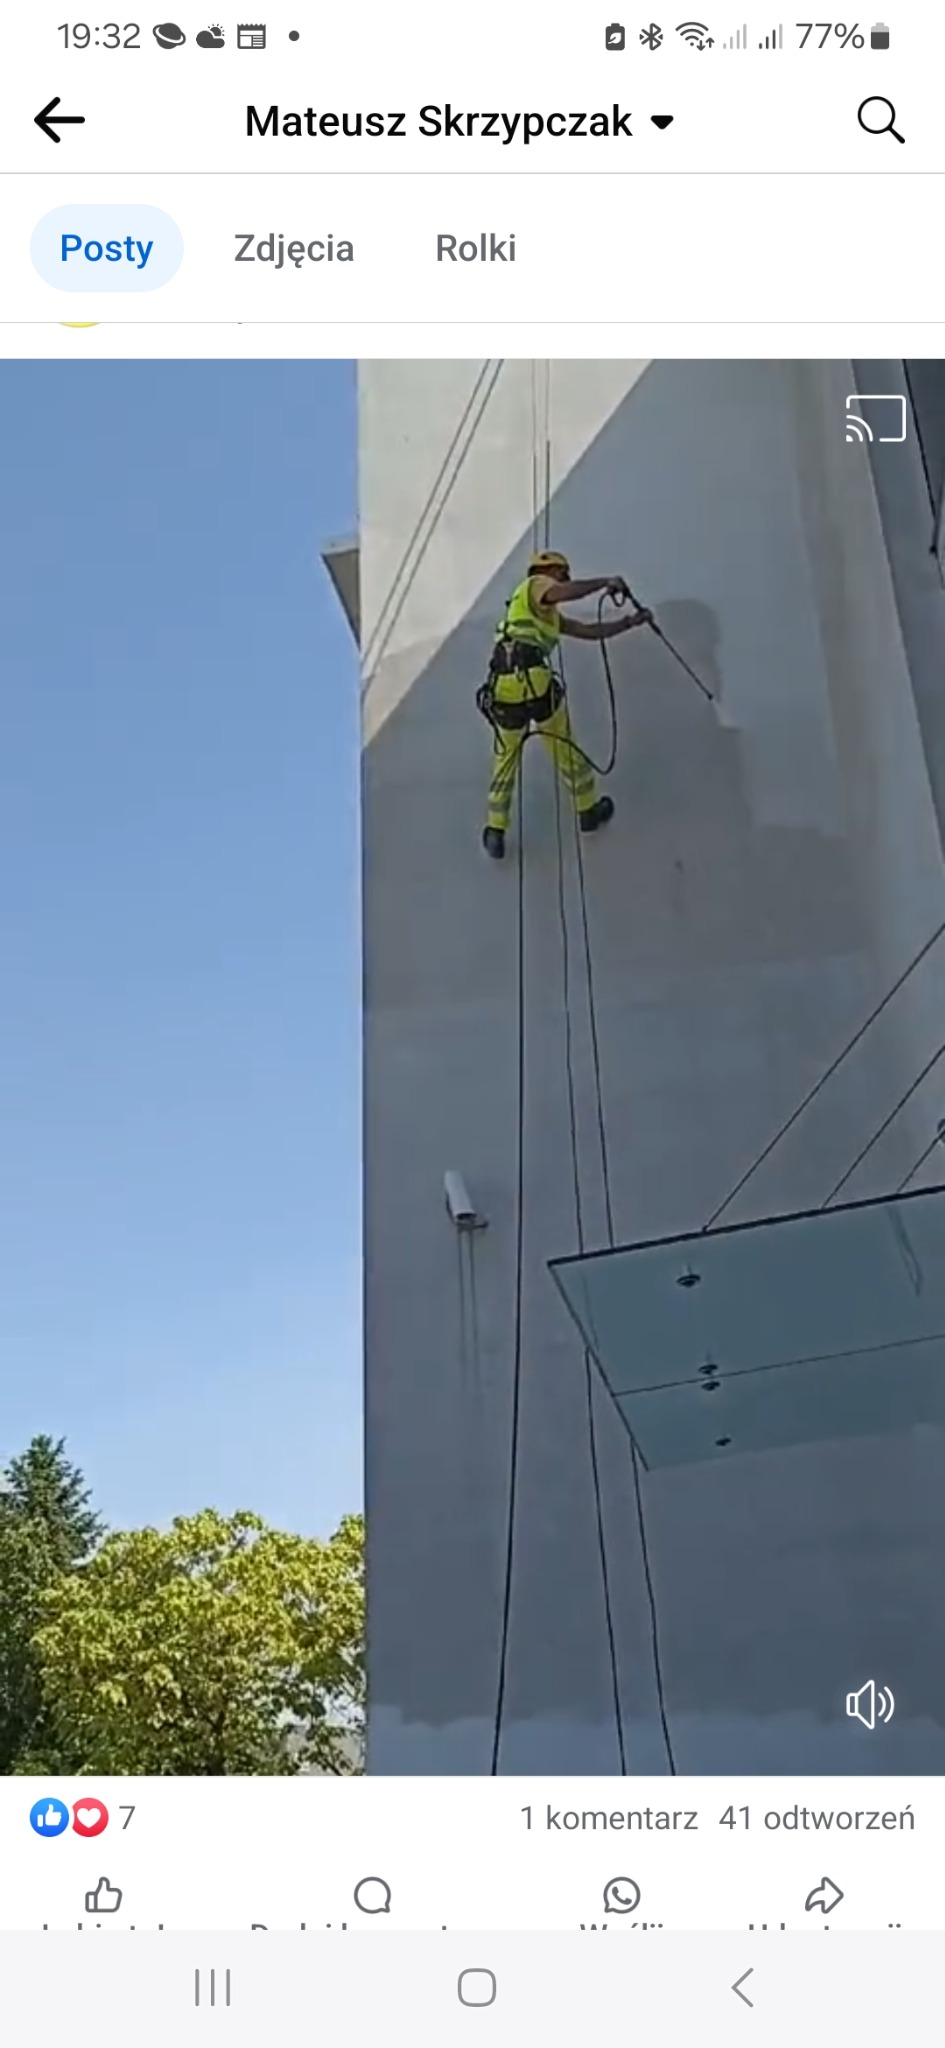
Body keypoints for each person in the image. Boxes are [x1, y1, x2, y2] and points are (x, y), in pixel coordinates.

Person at [479, 550, 652, 860]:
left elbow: (588, 631)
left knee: (506, 758)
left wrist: (630, 622)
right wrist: (604, 582)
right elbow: (563, 593)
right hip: (535, 679)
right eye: (562, 574)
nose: (563, 581)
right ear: (547, 570)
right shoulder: (534, 584)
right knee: (565, 748)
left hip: (504, 687)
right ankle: (587, 811)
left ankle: (495, 830)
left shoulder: (547, 616)